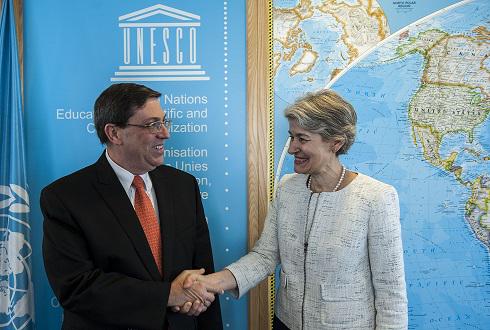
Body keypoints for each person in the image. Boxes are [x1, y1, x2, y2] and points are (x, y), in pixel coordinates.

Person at [183, 89, 408, 329]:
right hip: (285, 323)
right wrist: (210, 283)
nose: (291, 148)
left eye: (302, 139)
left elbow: (390, 290)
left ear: (335, 142)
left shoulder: (375, 197)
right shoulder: (288, 188)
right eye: (292, 137)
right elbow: (265, 257)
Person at [41, 83, 223, 330]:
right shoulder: (65, 197)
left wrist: (198, 295)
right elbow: (76, 287)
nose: (165, 133)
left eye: (164, 121)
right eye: (152, 125)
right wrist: (168, 294)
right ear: (114, 134)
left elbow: (202, 273)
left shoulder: (183, 186)